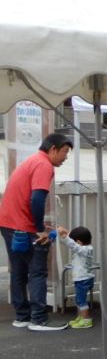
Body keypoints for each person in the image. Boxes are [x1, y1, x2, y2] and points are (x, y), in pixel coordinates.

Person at [0, 132, 73, 331]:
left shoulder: (32, 160)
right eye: (65, 152)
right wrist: (39, 229)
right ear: (53, 150)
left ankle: (21, 316)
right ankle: (39, 319)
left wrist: (37, 224)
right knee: (38, 270)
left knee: (18, 271)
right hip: (22, 225)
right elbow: (37, 199)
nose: (66, 157)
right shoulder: (44, 165)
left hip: (8, 222)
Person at [56, 226, 96, 328]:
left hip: (83, 279)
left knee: (81, 300)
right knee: (79, 299)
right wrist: (66, 233)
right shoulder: (87, 248)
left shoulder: (83, 250)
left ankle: (86, 320)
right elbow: (75, 243)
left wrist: (65, 237)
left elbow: (73, 245)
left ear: (79, 242)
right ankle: (81, 317)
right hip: (84, 278)